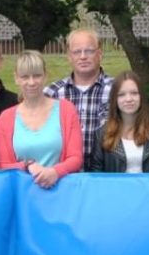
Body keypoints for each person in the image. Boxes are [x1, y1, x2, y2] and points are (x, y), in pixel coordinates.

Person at [0, 50, 83, 190]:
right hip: (23, 194)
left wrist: (55, 172)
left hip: (62, 191)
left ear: (45, 76)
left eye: (37, 76)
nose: (31, 82)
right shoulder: (5, 118)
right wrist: (27, 166)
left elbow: (75, 158)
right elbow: (4, 164)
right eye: (25, 77)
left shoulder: (66, 110)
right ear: (16, 78)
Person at [43, 28, 115, 159]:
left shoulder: (116, 90)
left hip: (105, 170)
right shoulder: (52, 93)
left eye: (89, 51)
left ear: (100, 54)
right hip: (63, 172)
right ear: (69, 57)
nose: (83, 57)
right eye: (77, 52)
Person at [90, 75, 149, 174]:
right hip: (115, 189)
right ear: (114, 100)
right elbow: (96, 177)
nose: (129, 99)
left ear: (141, 97)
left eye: (134, 93)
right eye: (121, 94)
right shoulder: (101, 135)